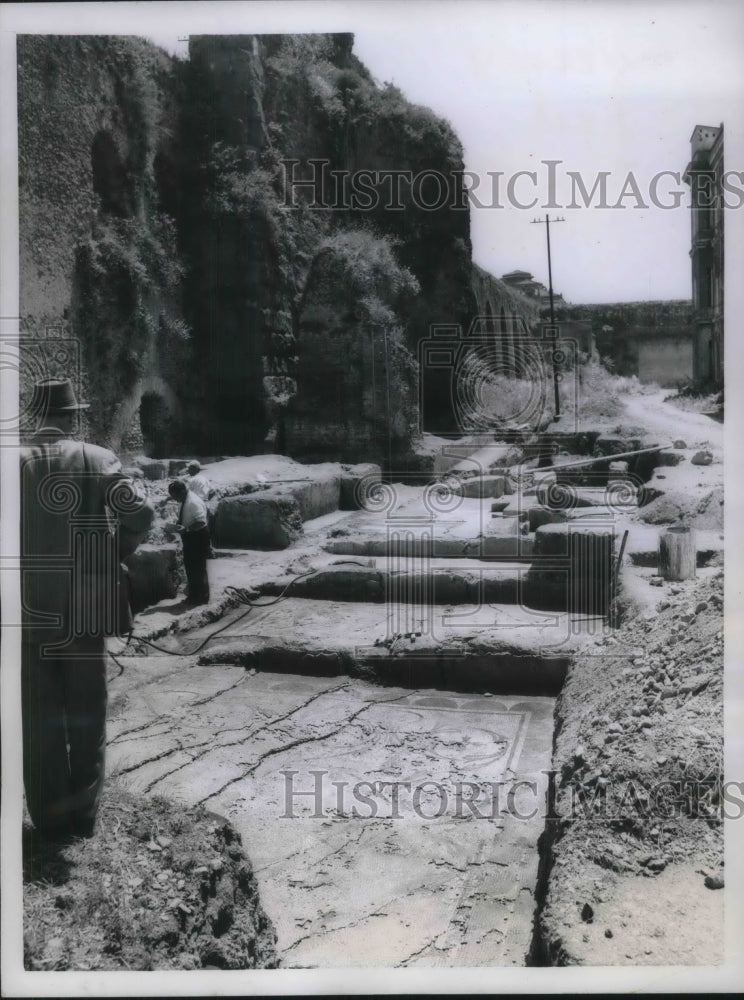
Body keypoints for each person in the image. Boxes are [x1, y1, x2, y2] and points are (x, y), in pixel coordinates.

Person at [20, 378, 153, 840]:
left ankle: (48, 821)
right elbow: (142, 515)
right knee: (87, 713)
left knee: (38, 719)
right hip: (87, 608)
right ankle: (82, 820)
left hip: (28, 613)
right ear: (73, 416)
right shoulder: (98, 460)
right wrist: (113, 553)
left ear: (32, 416)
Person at [167, 479, 211, 605]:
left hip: (197, 537)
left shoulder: (192, 502)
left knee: (197, 568)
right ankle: (196, 595)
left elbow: (201, 522)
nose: (175, 499)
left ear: (181, 492)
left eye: (175, 496)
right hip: (191, 536)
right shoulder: (187, 499)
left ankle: (200, 598)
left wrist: (186, 529)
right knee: (192, 568)